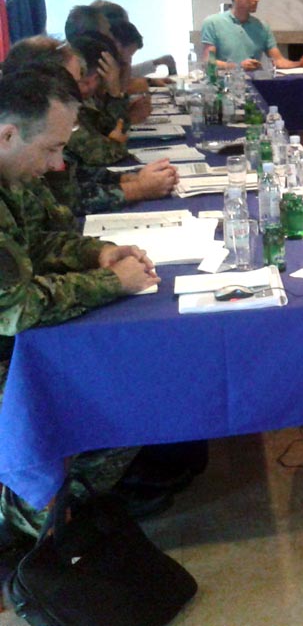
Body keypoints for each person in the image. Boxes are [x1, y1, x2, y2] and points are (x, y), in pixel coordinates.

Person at [0, 68, 162, 541]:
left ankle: (65, 500)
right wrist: (110, 282)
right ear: (8, 134)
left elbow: (36, 242)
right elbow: (16, 309)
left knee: (133, 370)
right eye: (50, 149)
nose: (57, 165)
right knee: (117, 385)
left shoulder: (11, 173)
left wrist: (98, 253)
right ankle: (33, 515)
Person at [2, 38, 178, 215]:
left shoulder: (54, 117)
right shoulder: (37, 121)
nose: (80, 87)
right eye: (73, 81)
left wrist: (130, 177)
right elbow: (66, 197)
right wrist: (138, 188)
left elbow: (76, 173)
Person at [201, 0, 303, 72]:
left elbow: (278, 60)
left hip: (255, 83)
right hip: (224, 83)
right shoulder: (212, 23)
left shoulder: (262, 26)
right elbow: (208, 62)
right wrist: (238, 66)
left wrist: (299, 64)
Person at [66, 31, 135, 166]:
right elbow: (99, 155)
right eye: (83, 80)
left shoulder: (86, 100)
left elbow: (111, 129)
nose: (90, 87)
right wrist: (115, 143)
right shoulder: (62, 104)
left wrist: (115, 94)